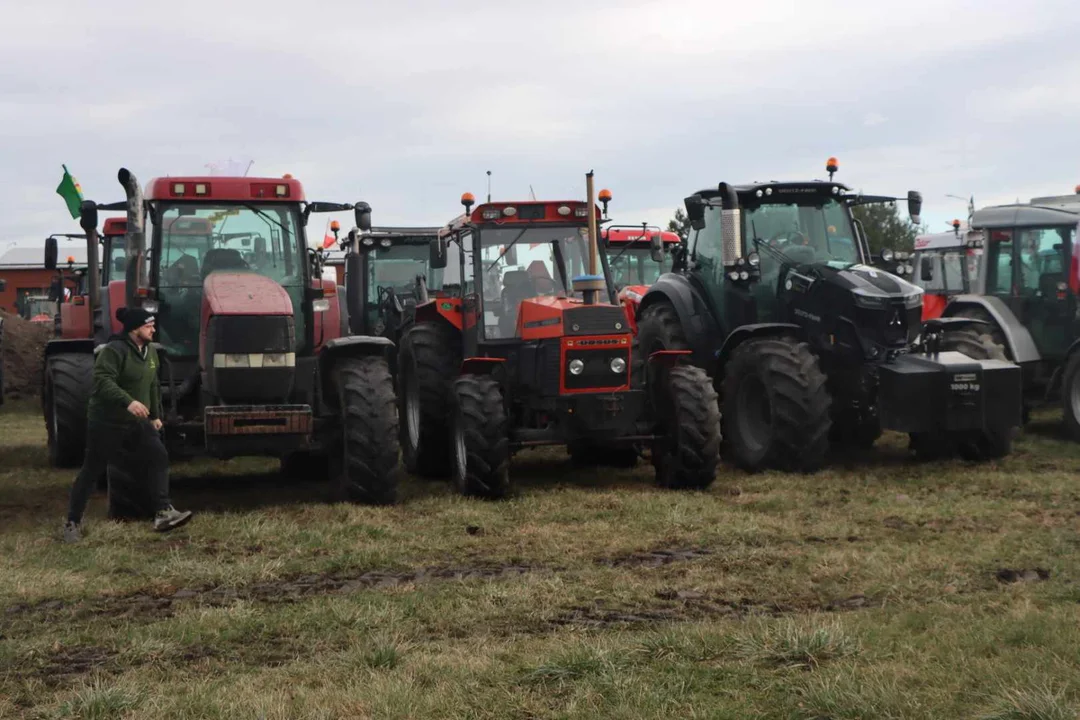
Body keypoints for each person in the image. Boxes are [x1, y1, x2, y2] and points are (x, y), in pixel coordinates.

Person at [63, 307, 192, 541]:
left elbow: (152, 384)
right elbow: (102, 380)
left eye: (153, 325)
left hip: (137, 422)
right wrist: (128, 402)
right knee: (92, 471)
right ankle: (72, 523)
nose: (153, 329)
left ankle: (163, 512)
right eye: (148, 326)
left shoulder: (150, 352)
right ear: (134, 329)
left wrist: (154, 415)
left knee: (158, 456)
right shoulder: (114, 351)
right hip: (107, 421)